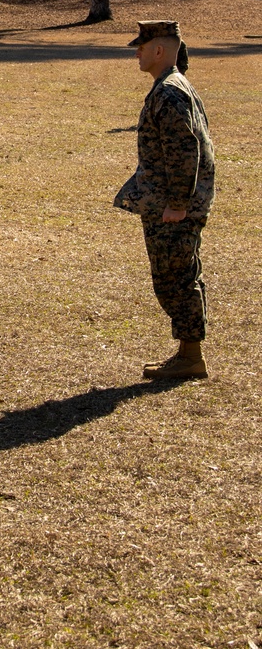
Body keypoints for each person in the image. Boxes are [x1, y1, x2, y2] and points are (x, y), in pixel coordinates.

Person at [114, 20, 214, 381]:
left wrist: (177, 203)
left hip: (174, 206)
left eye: (142, 46)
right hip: (171, 201)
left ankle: (191, 357)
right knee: (180, 273)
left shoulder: (169, 92)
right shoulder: (171, 86)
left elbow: (185, 151)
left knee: (175, 277)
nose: (136, 52)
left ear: (160, 50)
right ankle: (189, 352)